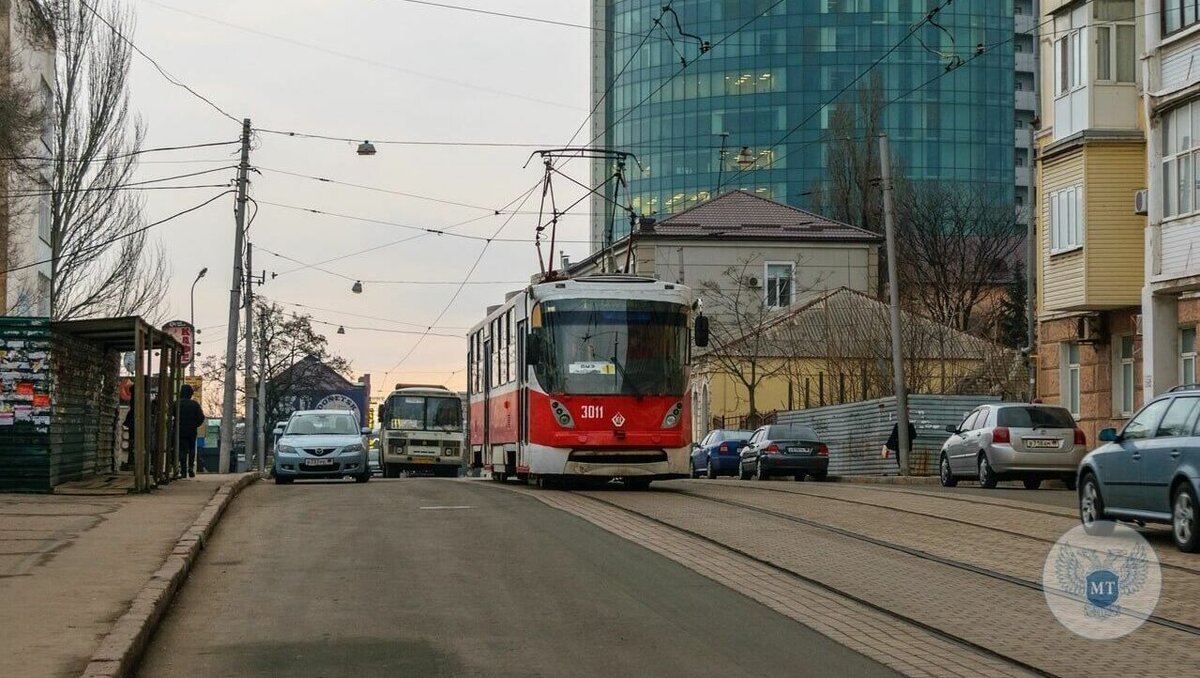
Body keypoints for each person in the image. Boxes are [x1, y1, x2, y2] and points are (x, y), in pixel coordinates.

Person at [176, 384, 206, 478]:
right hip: (192, 431)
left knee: (182, 450)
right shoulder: (194, 404)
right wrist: (195, 424)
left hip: (180, 430)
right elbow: (201, 417)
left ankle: (183, 471)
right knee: (192, 449)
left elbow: (170, 415)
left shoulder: (176, 404)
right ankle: (190, 467)